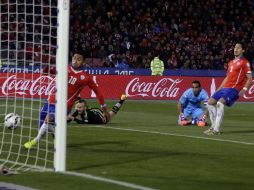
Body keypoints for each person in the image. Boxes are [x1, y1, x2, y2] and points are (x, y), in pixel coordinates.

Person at [24, 53, 108, 149]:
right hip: (51, 99)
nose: (75, 60)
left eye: (79, 59)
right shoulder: (64, 68)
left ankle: (34, 141)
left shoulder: (86, 77)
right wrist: (48, 63)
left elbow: (98, 93)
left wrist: (104, 108)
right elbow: (46, 72)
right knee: (42, 124)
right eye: (74, 58)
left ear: (83, 62)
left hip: (64, 105)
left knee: (48, 120)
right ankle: (57, 138)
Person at [204, 42, 252, 135]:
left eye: (238, 48)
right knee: (209, 103)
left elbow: (250, 78)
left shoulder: (244, 62)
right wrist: (218, 89)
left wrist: (244, 89)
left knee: (219, 103)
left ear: (243, 50)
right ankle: (213, 127)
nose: (235, 49)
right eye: (235, 47)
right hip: (225, 88)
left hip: (234, 89)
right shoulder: (230, 62)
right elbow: (227, 78)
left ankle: (216, 130)